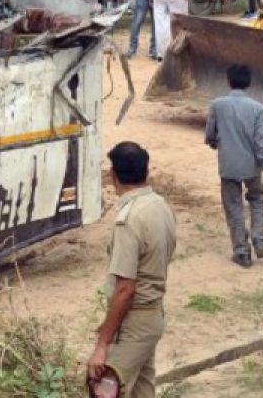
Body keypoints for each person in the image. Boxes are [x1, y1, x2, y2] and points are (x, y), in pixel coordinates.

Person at [87, 141, 177, 398]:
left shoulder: (129, 220)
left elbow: (126, 289)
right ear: (146, 172)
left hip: (135, 321)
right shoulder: (161, 206)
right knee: (141, 391)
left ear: (113, 176)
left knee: (103, 387)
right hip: (153, 316)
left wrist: (102, 343)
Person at [205, 64, 263, 268]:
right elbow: (261, 142)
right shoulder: (258, 108)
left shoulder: (217, 105)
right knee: (257, 199)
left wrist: (213, 141)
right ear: (249, 82)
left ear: (228, 80)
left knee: (233, 206)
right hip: (252, 166)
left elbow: (210, 134)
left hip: (228, 166)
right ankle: (259, 239)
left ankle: (242, 252)